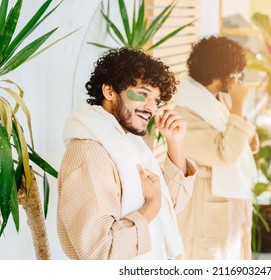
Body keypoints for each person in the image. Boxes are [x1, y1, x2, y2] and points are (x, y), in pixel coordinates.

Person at [57, 47, 197, 260]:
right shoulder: (91, 155)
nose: (152, 108)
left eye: (156, 101)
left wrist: (174, 142)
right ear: (109, 91)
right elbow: (101, 255)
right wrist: (151, 206)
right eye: (143, 94)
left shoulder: (128, 143)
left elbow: (169, 205)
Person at [174, 36, 259, 260]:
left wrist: (237, 110)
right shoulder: (184, 111)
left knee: (233, 254)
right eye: (234, 72)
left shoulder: (221, 98)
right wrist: (239, 105)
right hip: (205, 204)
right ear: (218, 74)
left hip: (230, 200)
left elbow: (248, 141)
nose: (237, 78)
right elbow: (225, 153)